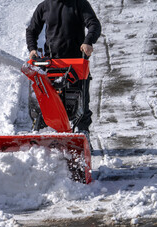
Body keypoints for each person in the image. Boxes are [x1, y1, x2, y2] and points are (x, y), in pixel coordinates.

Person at [25, 0, 101, 143]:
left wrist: (88, 41)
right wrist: (32, 48)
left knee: (81, 103)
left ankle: (83, 133)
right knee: (44, 100)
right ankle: (39, 132)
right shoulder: (44, 6)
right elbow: (32, 30)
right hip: (51, 63)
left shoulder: (80, 4)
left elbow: (94, 24)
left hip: (76, 63)